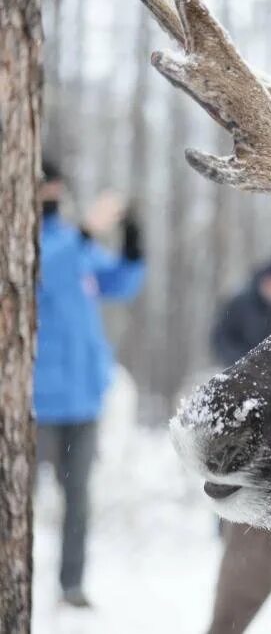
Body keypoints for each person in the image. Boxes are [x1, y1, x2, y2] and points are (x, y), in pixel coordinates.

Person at [35, 161, 146, 607]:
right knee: (15, 499)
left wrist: (133, 239)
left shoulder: (71, 239)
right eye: (47, 185)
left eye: (57, 185)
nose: (53, 193)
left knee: (77, 501)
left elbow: (119, 283)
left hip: (82, 399)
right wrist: (87, 228)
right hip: (33, 401)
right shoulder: (30, 238)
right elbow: (43, 272)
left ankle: (72, 584)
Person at [207, 249, 271, 633]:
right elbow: (219, 340)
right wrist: (246, 367)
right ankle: (224, 520)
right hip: (240, 399)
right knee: (230, 465)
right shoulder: (241, 303)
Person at [211, 248, 271, 366]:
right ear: (266, 281)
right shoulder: (241, 304)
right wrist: (242, 360)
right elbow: (222, 337)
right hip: (241, 370)